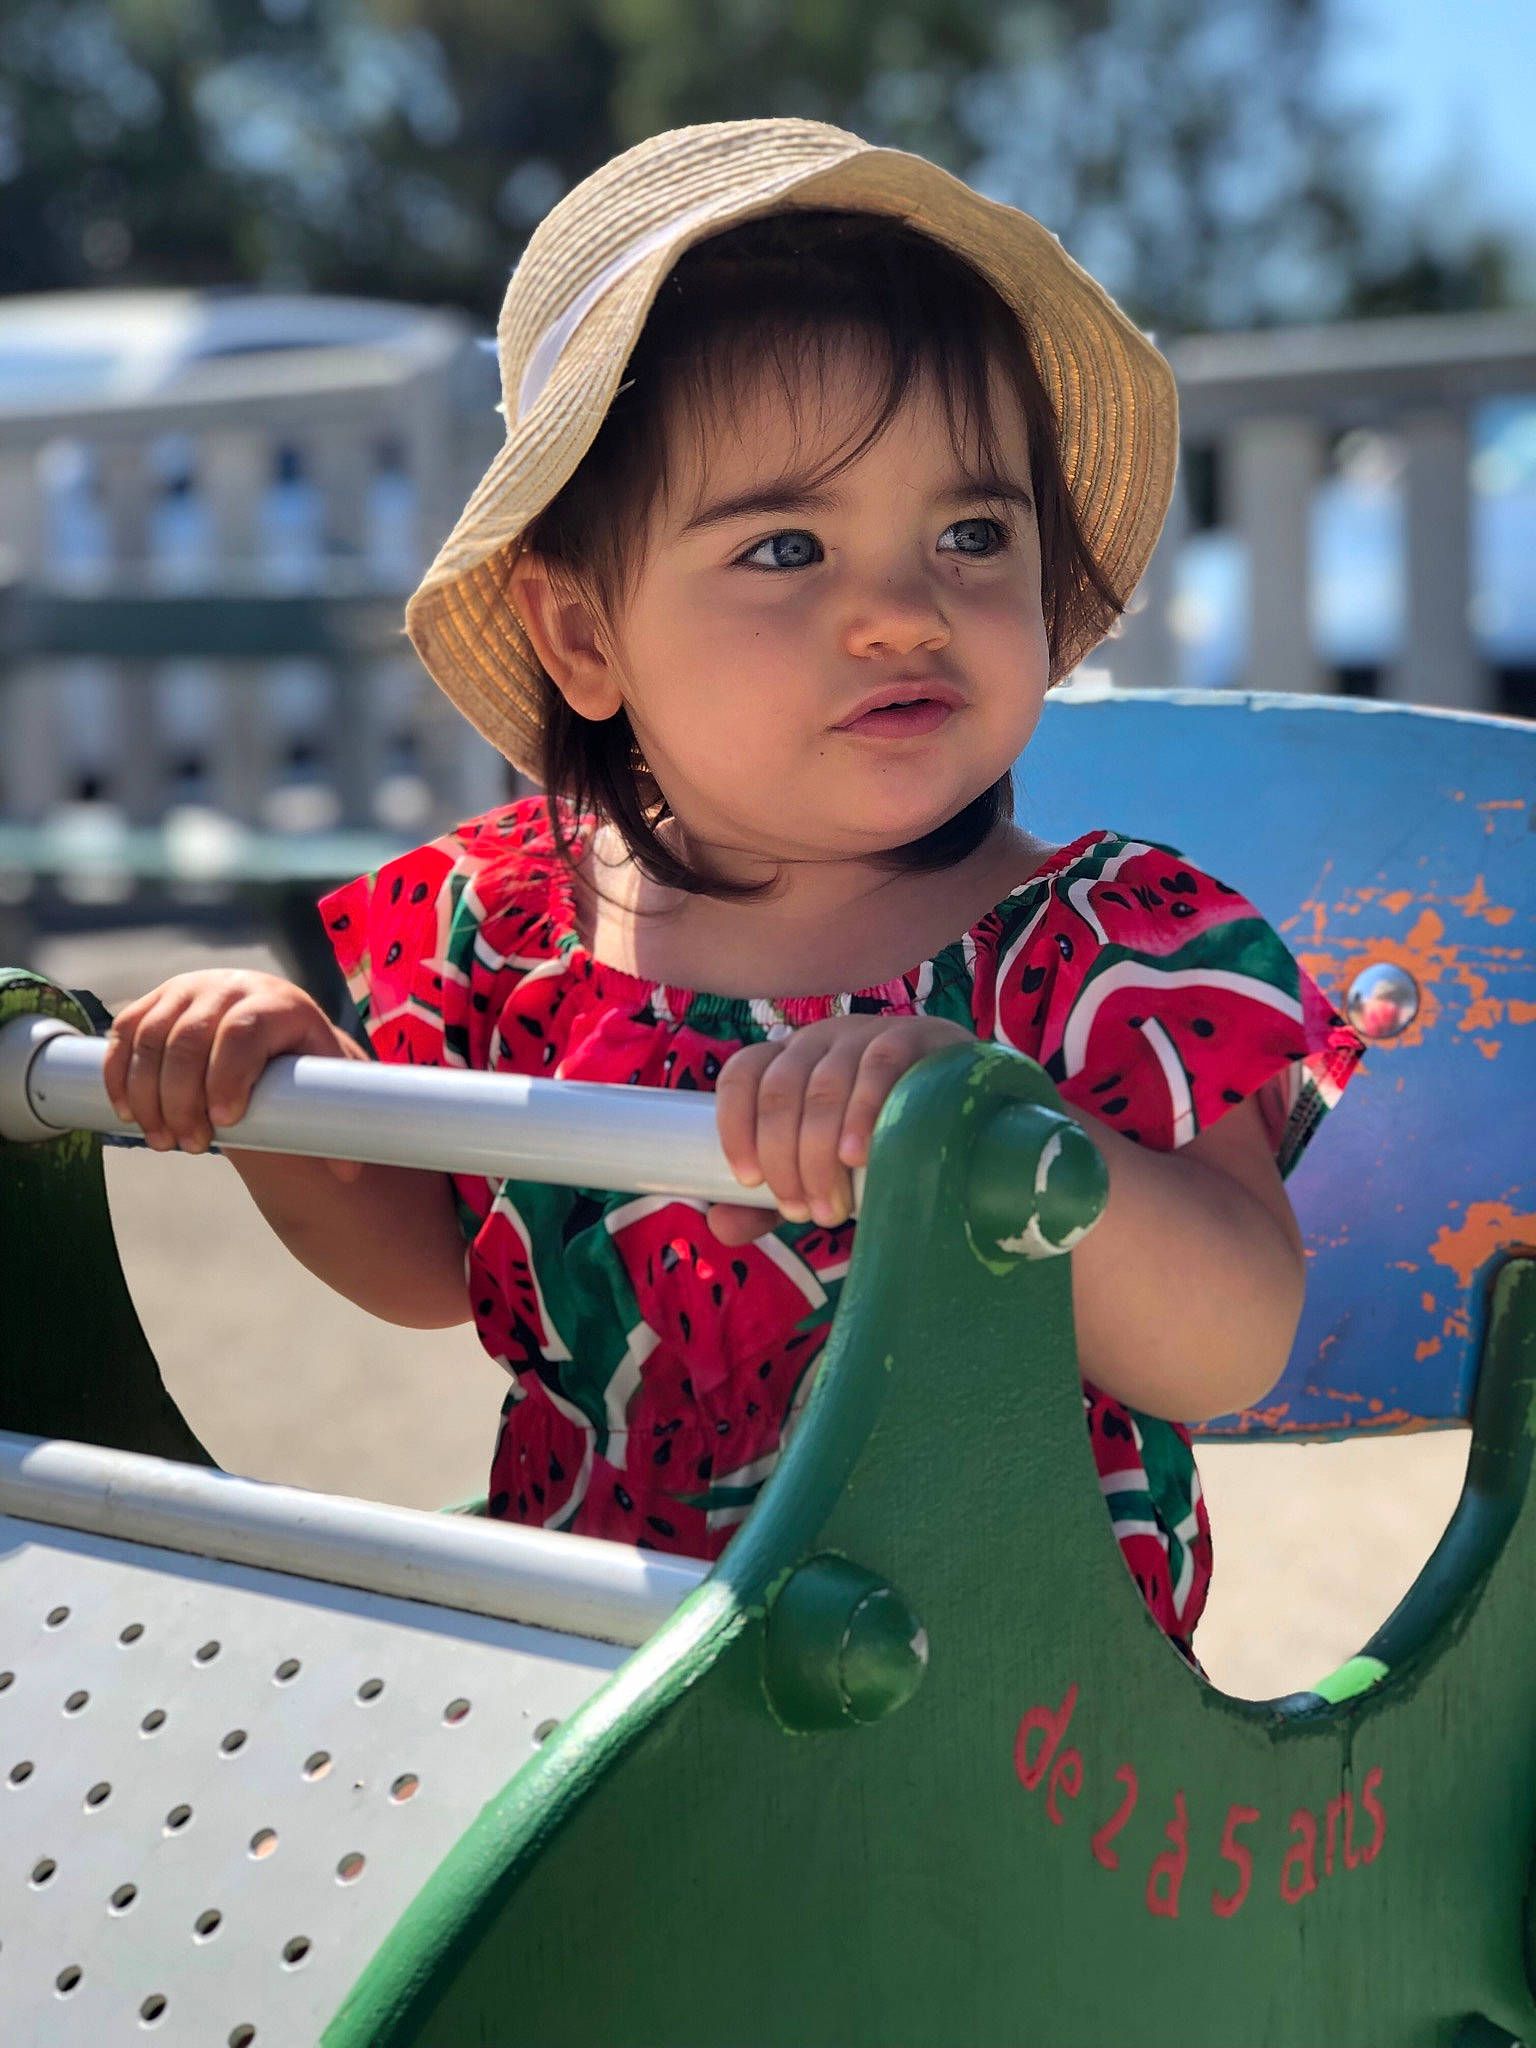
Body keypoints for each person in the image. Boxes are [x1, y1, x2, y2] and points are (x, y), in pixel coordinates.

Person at [101, 120, 1362, 1663]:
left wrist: (997, 1132)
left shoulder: (1096, 954)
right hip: (594, 1669)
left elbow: (1232, 1338)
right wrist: (274, 1099)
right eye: (784, 546)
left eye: (971, 533)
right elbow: (443, 1274)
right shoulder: (506, 930)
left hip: (989, 1707)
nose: (902, 611)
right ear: (582, 640)